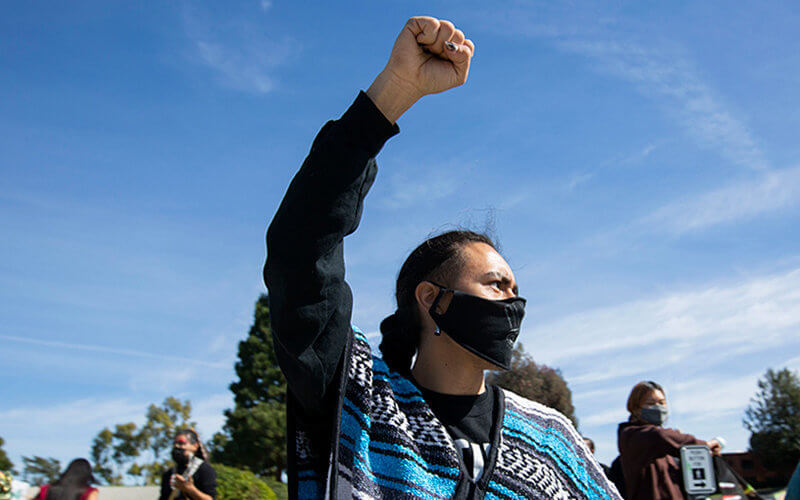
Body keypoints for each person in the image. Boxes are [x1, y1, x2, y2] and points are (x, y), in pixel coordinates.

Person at [265, 15, 621, 500]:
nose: (513, 304)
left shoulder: (553, 441)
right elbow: (300, 245)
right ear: (432, 298)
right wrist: (393, 92)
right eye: (497, 285)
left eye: (514, 290)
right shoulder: (358, 401)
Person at [617, 381, 722, 500]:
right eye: (651, 403)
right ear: (635, 408)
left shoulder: (665, 446)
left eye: (662, 403)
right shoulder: (631, 435)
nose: (658, 407)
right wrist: (703, 445)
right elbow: (659, 436)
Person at [159, 429, 216, 500]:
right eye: (174, 443)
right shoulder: (169, 474)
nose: (176, 446)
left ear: (195, 446)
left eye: (181, 443)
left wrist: (190, 489)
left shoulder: (205, 470)